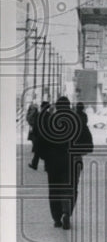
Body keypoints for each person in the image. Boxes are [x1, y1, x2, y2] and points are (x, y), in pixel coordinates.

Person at [32, 97, 77, 229]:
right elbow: (84, 141)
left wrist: (44, 157)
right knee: (68, 188)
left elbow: (41, 140)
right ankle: (66, 212)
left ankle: (57, 218)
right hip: (69, 160)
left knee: (54, 190)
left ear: (56, 107)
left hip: (52, 162)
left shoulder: (49, 120)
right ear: (68, 107)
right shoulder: (74, 122)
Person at [27, 100, 47, 171]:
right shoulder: (49, 115)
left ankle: (34, 165)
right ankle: (46, 167)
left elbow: (35, 126)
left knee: (37, 152)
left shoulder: (39, 115)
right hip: (47, 137)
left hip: (39, 136)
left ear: (42, 107)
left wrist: (35, 134)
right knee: (47, 152)